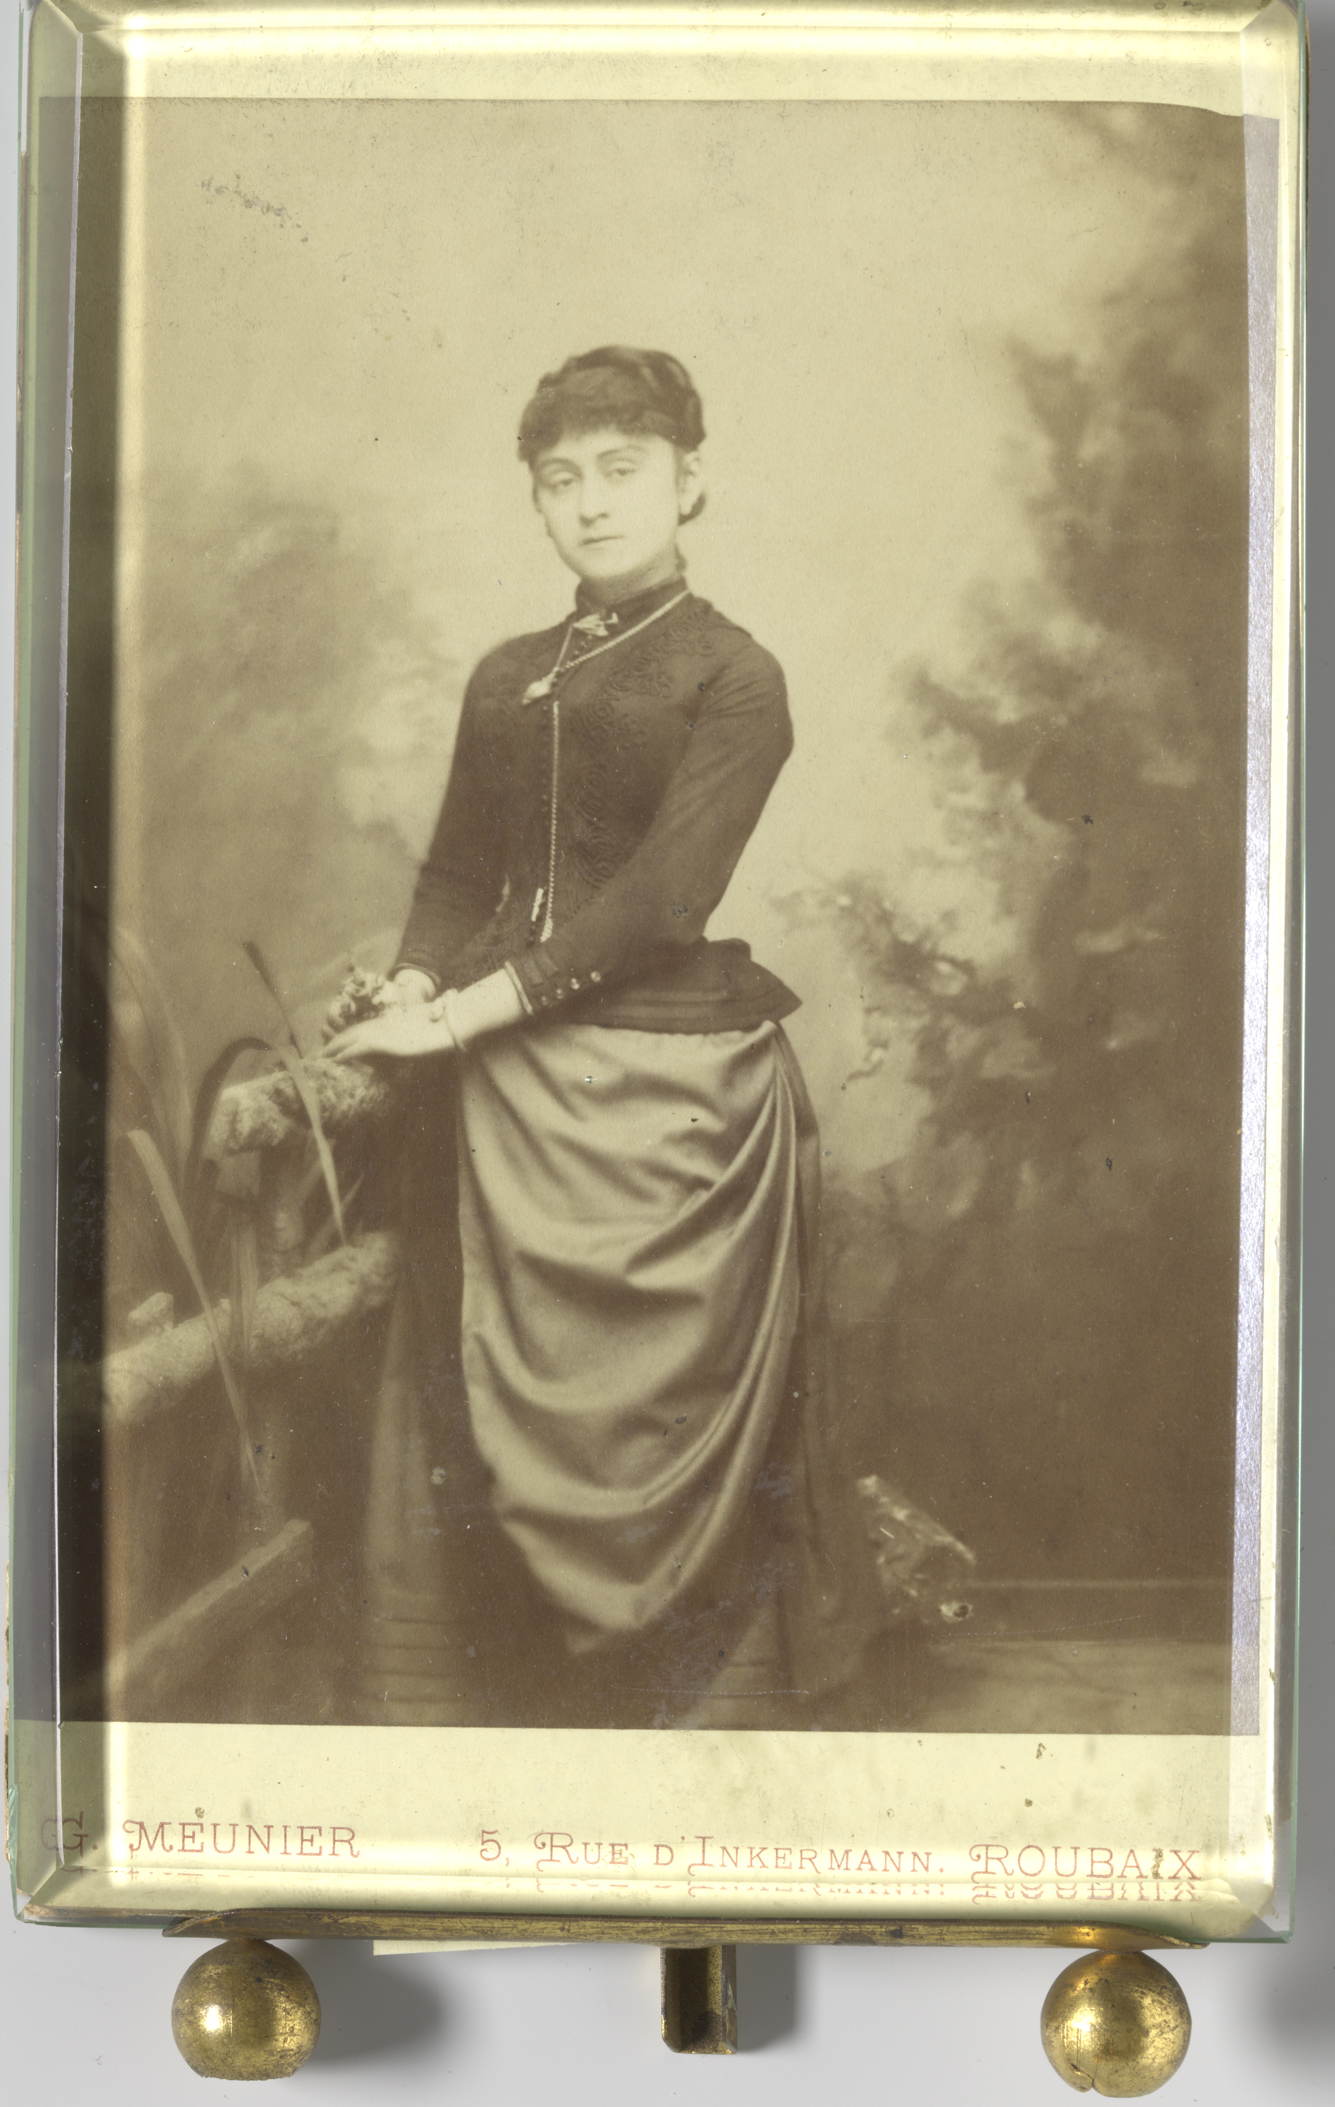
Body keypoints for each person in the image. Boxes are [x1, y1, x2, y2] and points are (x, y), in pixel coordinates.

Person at [327, 346, 877, 1726]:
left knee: (660, 1406)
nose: (590, 502)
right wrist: (409, 983)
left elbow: (664, 897)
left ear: (689, 483)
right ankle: (506, 1686)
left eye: (622, 470)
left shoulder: (736, 676)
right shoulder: (505, 675)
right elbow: (460, 871)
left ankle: (694, 1692)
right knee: (468, 1384)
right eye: (559, 478)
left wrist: (462, 1013)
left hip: (669, 1082)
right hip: (495, 1086)